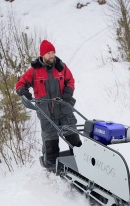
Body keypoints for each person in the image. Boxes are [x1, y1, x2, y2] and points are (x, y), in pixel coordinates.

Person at [16, 40, 81, 170]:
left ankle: (80, 164)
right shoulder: (34, 71)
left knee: (73, 139)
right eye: (49, 53)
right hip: (47, 112)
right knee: (50, 143)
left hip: (64, 109)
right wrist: (24, 92)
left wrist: (68, 92)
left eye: (53, 52)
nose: (52, 55)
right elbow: (20, 84)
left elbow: (70, 81)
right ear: (42, 55)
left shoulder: (61, 67)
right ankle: (52, 169)